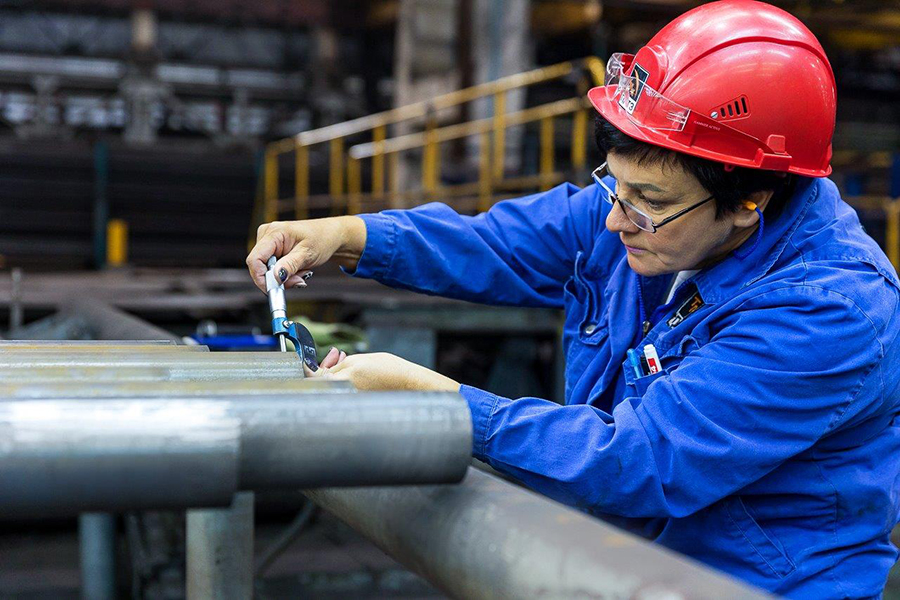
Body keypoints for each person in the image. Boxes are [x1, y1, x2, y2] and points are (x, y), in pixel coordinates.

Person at [247, 1, 900, 597]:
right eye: (615, 186)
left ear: (750, 201)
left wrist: (440, 403)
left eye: (650, 203)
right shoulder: (649, 206)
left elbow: (642, 460)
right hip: (625, 560)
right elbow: (498, 245)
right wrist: (346, 237)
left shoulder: (831, 308)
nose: (617, 220)